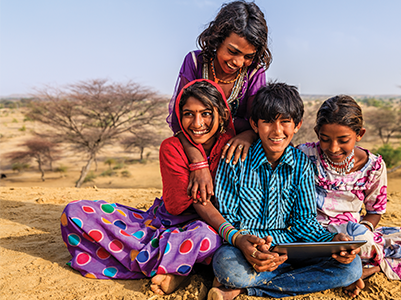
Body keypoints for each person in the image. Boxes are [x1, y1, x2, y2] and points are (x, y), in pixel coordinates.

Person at [60, 79, 264, 296]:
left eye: (205, 113)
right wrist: (198, 163)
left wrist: (244, 138)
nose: (197, 123)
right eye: (188, 114)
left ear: (222, 114)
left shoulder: (232, 144)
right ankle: (179, 266)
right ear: (179, 115)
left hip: (211, 227)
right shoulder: (172, 147)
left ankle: (171, 265)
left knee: (207, 238)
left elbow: (258, 136)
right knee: (74, 212)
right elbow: (176, 206)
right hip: (165, 221)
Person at [208, 83, 363, 300]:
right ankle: (275, 279)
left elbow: (304, 222)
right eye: (268, 122)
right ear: (254, 124)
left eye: (285, 122)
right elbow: (228, 219)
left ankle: (247, 288)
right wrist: (251, 248)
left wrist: (332, 240)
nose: (277, 131)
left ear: (297, 125)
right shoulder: (235, 161)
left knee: (352, 267)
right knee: (227, 266)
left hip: (290, 247)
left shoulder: (301, 165)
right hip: (248, 248)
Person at [297, 95, 401, 289]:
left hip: (354, 235)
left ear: (360, 134)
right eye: (325, 139)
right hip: (313, 233)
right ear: (317, 132)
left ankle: (367, 267)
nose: (333, 148)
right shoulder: (303, 155)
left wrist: (364, 233)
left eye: (343, 140)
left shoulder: (374, 166)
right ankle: (359, 267)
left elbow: (375, 211)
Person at [166, 0, 272, 204]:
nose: (238, 62)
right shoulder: (195, 62)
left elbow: (258, 120)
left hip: (237, 156)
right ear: (217, 39)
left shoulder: (254, 72)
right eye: (232, 51)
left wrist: (248, 136)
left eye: (248, 56)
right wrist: (198, 163)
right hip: (195, 147)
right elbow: (180, 121)